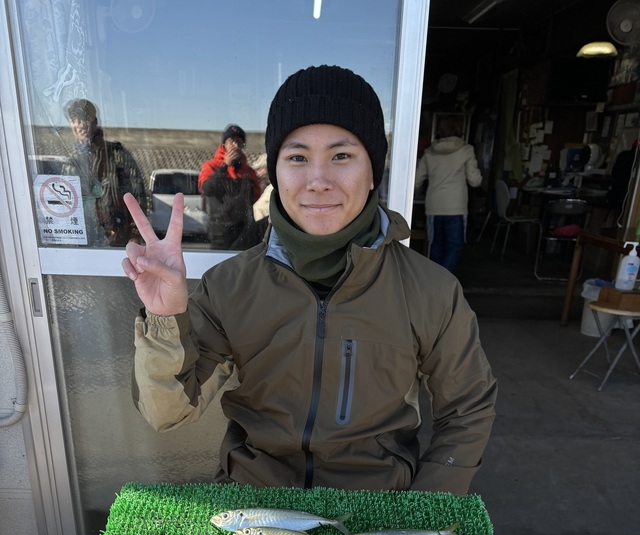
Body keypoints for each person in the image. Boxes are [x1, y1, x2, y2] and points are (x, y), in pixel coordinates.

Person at [123, 65, 497, 495]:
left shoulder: (431, 291)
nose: (318, 181)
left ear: (372, 172)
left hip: (376, 504)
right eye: (297, 158)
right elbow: (168, 413)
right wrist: (165, 319)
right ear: (275, 173)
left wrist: (425, 506)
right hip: (256, 504)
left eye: (342, 156)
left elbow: (468, 409)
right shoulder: (230, 286)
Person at [62, 98, 147, 247]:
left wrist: (135, 233)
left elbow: (138, 194)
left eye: (85, 118)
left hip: (119, 239)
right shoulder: (71, 163)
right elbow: (66, 206)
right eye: (75, 120)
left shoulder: (117, 155)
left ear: (95, 121)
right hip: (84, 242)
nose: (80, 124)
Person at [414, 116, 482, 274]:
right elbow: (474, 180)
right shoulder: (466, 150)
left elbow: (417, 180)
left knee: (436, 245)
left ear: (439, 132)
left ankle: (437, 280)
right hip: (456, 208)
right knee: (455, 246)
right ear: (459, 131)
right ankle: (445, 281)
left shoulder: (429, 152)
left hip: (434, 207)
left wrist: (417, 193)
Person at [198, 124, 263, 250]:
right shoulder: (210, 166)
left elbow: (256, 198)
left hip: (244, 232)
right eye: (232, 141)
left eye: (239, 142)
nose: (236, 146)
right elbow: (207, 189)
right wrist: (224, 166)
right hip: (220, 232)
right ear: (224, 144)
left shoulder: (248, 171)